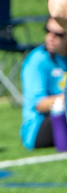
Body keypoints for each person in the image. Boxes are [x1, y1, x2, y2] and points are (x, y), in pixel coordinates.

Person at [20, 18, 67, 150]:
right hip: (37, 127)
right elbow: (40, 105)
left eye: (58, 34)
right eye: (48, 31)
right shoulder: (37, 60)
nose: (51, 37)